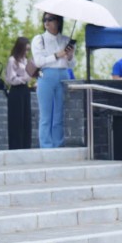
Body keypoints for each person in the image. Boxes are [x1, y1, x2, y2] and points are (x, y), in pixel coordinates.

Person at [31, 13, 74, 148]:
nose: (47, 22)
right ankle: (46, 146)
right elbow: (38, 61)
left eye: (50, 19)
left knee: (59, 114)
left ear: (58, 21)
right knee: (46, 114)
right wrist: (57, 55)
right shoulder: (39, 39)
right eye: (45, 19)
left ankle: (58, 144)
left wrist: (70, 56)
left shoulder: (66, 40)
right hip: (46, 76)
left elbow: (72, 65)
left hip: (63, 75)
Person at [5, 37, 33, 149]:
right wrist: (24, 78)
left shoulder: (26, 61)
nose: (26, 52)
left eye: (28, 50)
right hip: (16, 91)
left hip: (25, 91)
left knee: (26, 119)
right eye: (25, 49)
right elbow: (10, 79)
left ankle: (26, 146)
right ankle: (15, 146)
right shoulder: (12, 60)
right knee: (16, 120)